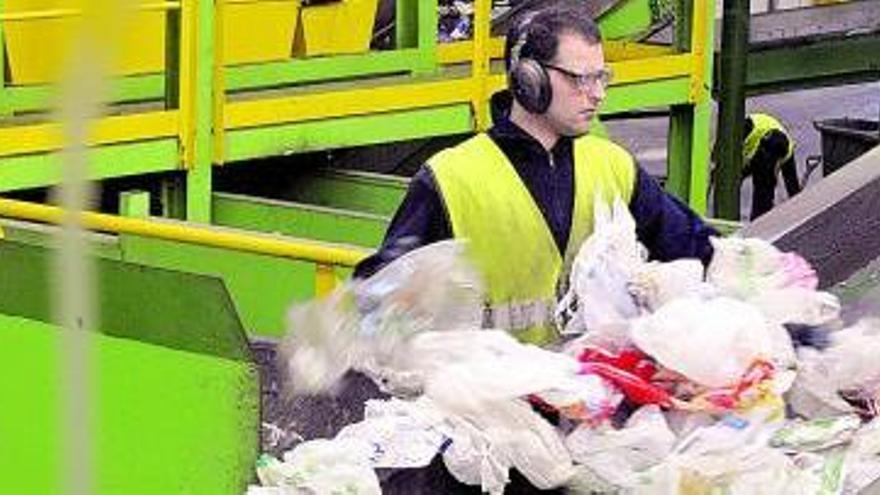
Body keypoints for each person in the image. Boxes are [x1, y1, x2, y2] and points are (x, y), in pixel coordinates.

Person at [354, 0, 716, 345]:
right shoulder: (452, 180)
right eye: (580, 79)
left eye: (601, 77)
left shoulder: (612, 166)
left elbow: (698, 248)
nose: (597, 94)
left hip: (588, 396)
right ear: (529, 80)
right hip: (489, 401)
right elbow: (374, 309)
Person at [742, 113, 802, 220]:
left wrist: (799, 210)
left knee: (765, 188)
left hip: (761, 152)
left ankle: (759, 222)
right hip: (756, 147)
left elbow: (792, 186)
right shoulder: (748, 129)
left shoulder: (787, 153)